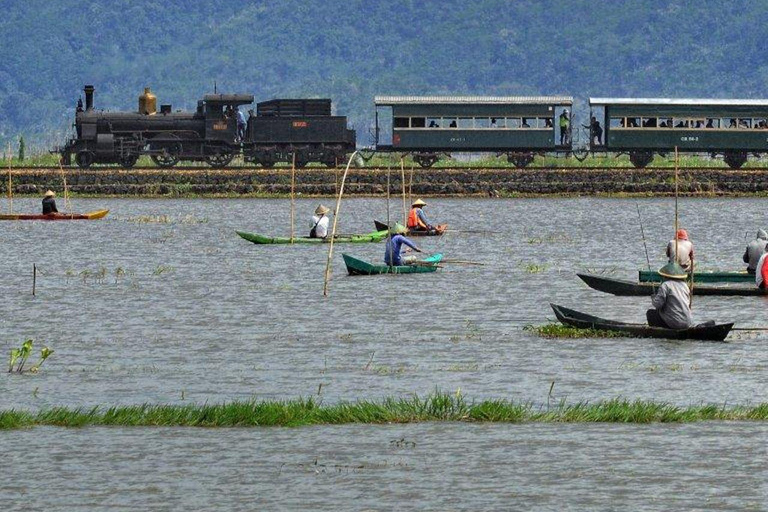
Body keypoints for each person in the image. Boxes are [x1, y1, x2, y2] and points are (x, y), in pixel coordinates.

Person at [646, 262, 693, 329]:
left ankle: (659, 333)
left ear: (666, 276)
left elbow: (657, 304)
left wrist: (653, 298)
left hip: (674, 323)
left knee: (650, 313)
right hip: (688, 323)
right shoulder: (685, 285)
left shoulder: (665, 285)